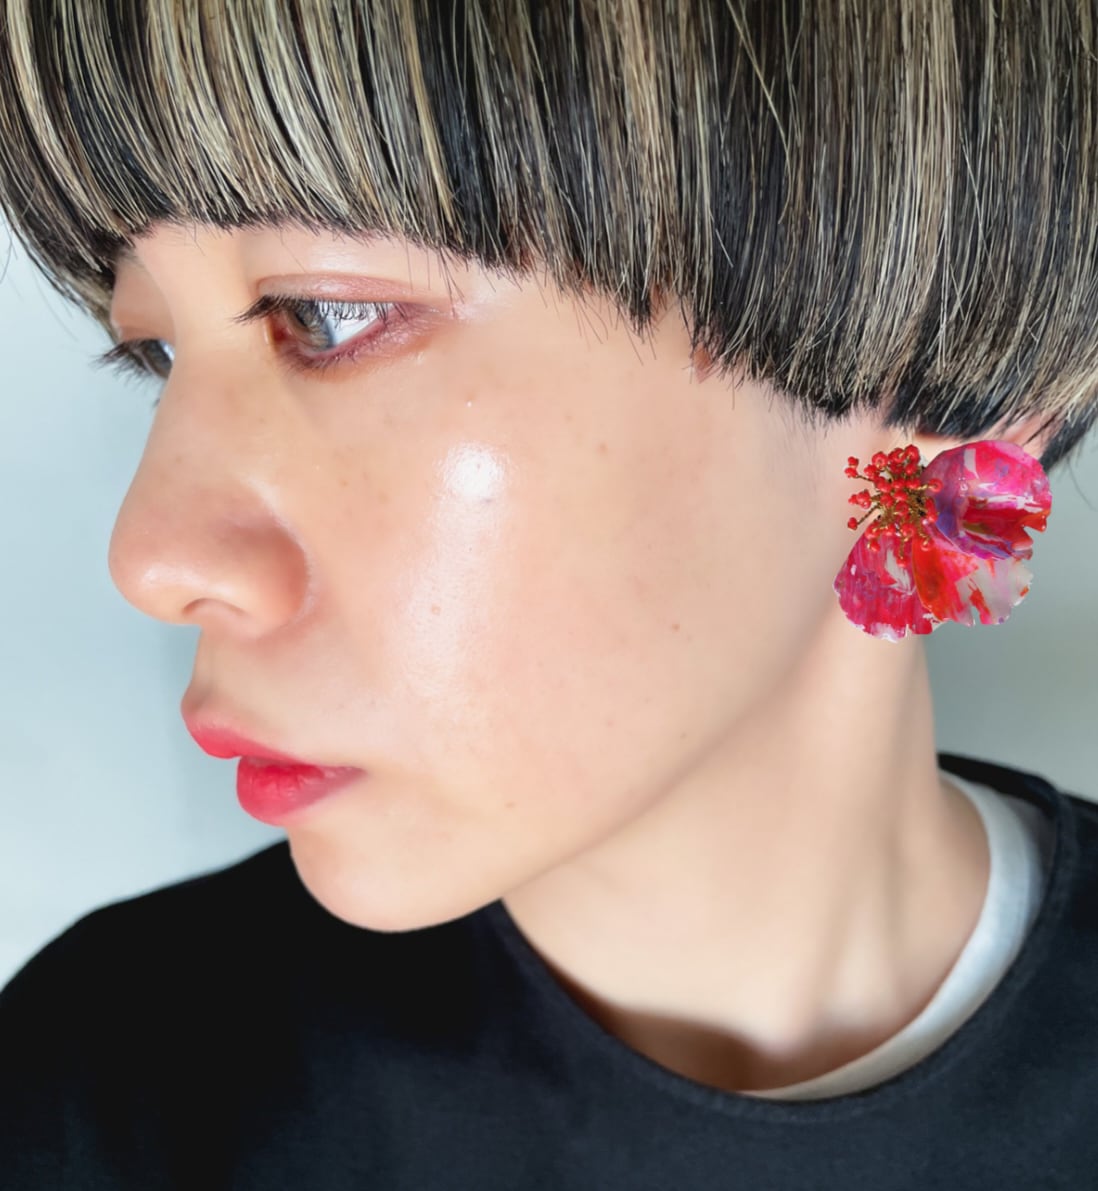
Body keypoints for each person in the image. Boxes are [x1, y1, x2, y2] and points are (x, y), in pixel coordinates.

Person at [1, 1, 1096, 1186]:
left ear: (931, 392)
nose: (153, 559)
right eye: (158, 353)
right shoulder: (100, 1093)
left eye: (329, 314)